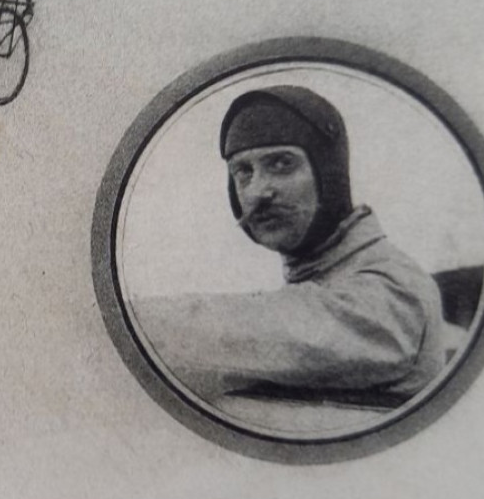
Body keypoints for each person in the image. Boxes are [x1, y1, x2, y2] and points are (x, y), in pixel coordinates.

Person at [138, 86, 447, 409]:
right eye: (243, 172)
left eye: (282, 164)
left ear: (330, 175)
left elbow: (286, 330)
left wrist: (116, 319)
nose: (258, 191)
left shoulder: (393, 287)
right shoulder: (319, 278)